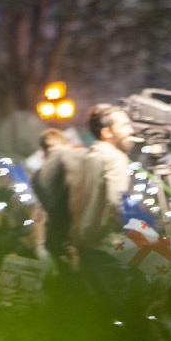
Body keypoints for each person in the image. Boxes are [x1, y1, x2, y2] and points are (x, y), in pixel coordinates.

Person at [65, 103, 136, 252]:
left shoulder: (87, 156)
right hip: (107, 246)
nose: (131, 130)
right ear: (107, 133)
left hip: (83, 245)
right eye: (124, 126)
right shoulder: (115, 157)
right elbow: (118, 203)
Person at [31, 128, 84, 258]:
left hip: (54, 237)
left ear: (43, 150)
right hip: (78, 238)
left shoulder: (36, 175)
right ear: (67, 143)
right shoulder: (74, 157)